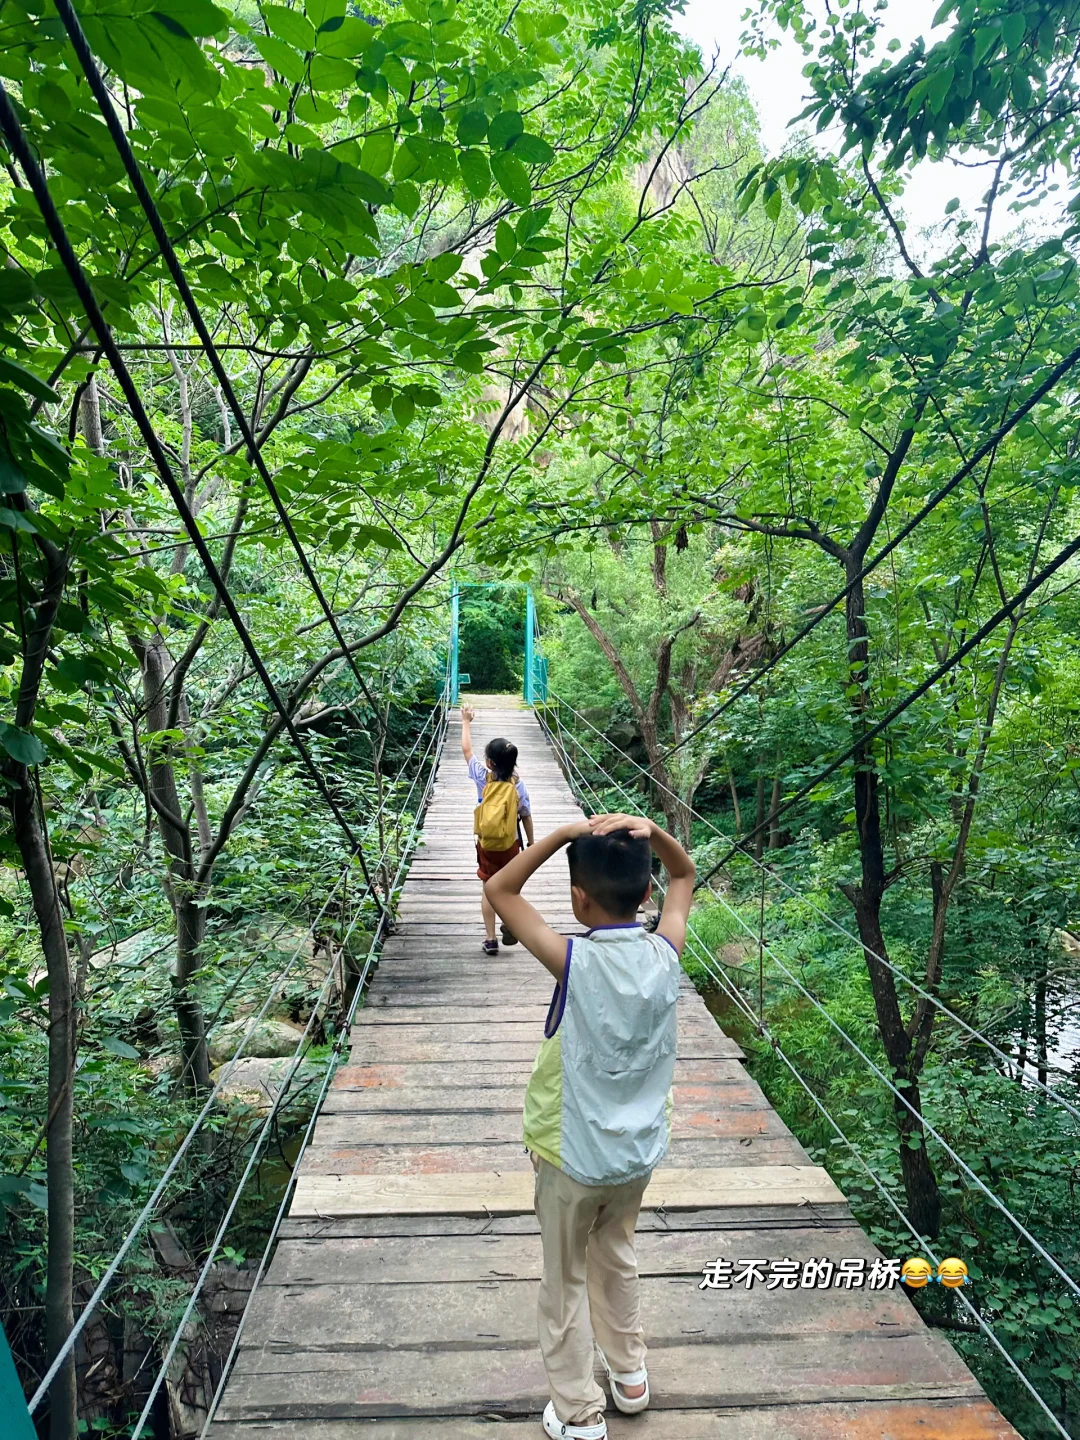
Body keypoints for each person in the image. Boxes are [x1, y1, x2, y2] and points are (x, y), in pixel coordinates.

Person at [484, 811, 695, 1440]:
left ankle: (578, 1412)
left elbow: (500, 892)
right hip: (635, 1156)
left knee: (564, 1279)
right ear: (647, 895)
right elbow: (685, 874)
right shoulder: (666, 951)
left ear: (577, 897)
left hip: (569, 1153)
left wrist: (557, 836)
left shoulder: (571, 960)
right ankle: (629, 1378)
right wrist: (652, 832)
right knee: (616, 1254)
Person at [461, 705, 535, 954]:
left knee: (489, 888)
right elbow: (525, 815)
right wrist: (532, 844)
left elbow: (466, 750)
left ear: (489, 763)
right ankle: (510, 923)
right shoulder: (518, 785)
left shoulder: (483, 776)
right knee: (509, 888)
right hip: (510, 845)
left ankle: (490, 938)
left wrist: (466, 721)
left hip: (486, 845)